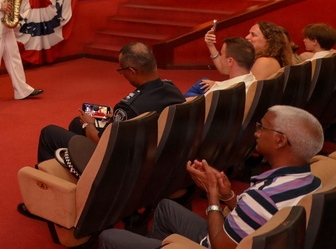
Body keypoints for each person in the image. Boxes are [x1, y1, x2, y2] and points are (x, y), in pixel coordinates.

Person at [98, 105, 323, 249]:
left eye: (262, 127)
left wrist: (213, 196)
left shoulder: (266, 197)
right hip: (240, 234)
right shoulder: (308, 180)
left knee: (110, 237)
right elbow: (260, 216)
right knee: (166, 207)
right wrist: (228, 195)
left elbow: (220, 245)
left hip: (219, 242)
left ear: (280, 140)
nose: (256, 132)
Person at [34, 42, 184, 164]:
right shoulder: (173, 89)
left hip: (123, 165)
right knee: (75, 123)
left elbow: (105, 146)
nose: (122, 73)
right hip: (156, 154)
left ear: (132, 71)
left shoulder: (128, 108)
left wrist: (88, 124)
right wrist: (115, 119)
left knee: (49, 132)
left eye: (121, 70)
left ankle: (45, 184)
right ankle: (73, 168)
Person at [207, 21, 295, 80]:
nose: (247, 37)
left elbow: (249, 92)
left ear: (269, 41)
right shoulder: (258, 58)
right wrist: (210, 45)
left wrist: (219, 85)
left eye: (253, 35)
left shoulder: (265, 62)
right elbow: (224, 69)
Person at [184, 36, 256, 98]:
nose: (220, 58)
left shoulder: (218, 93)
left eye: (221, 54)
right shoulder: (254, 81)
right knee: (202, 83)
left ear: (230, 61)